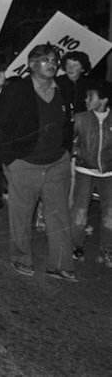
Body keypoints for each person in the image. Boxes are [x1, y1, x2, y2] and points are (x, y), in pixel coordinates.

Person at [0, 44, 77, 282]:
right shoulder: (16, 90)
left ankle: (60, 264)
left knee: (59, 214)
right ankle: (21, 258)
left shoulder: (64, 89)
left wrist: (66, 152)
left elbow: (68, 123)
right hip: (24, 163)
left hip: (57, 163)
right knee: (22, 214)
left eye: (54, 60)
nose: (52, 64)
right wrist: (11, 161)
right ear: (31, 65)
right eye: (45, 60)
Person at [70, 81, 112, 268]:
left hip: (109, 173)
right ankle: (76, 246)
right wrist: (75, 153)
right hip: (85, 171)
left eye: (91, 97)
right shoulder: (80, 118)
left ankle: (107, 250)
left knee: (110, 214)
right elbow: (69, 142)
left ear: (103, 100)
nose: (86, 100)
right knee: (80, 211)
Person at [57, 51, 91, 118]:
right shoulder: (57, 83)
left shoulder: (90, 84)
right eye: (67, 64)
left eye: (75, 65)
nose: (70, 68)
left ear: (83, 68)